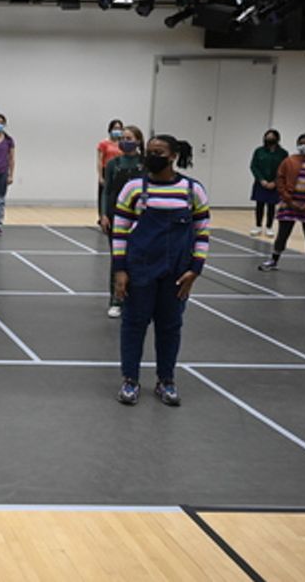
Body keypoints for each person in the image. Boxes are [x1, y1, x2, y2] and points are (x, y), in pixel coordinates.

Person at [111, 135, 210, 407]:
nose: (152, 155)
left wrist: (196, 269)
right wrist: (120, 271)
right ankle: (130, 380)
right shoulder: (133, 189)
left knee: (170, 327)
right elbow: (119, 232)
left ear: (173, 156)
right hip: (139, 270)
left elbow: (202, 232)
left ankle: (166, 381)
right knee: (133, 326)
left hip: (177, 273)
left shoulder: (192, 190)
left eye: (159, 152)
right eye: (150, 151)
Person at [259, 133, 305, 279]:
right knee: (283, 234)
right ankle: (274, 260)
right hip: (290, 203)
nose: (303, 146)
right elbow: (280, 180)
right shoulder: (289, 161)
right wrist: (289, 200)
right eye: (301, 143)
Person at [99, 125, 146, 318]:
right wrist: (103, 214)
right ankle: (116, 299)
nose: (125, 141)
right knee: (118, 258)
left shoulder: (145, 163)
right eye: (123, 138)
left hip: (140, 216)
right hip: (116, 215)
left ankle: (135, 299)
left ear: (138, 141)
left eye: (129, 138)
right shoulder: (113, 164)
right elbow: (106, 190)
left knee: (138, 258)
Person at [249, 129, 288, 238]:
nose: (269, 139)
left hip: (275, 184)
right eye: (267, 137)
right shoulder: (259, 151)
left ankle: (269, 227)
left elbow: (284, 169)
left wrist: (275, 182)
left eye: (272, 137)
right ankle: (258, 226)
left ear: (277, 139)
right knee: (259, 205)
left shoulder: (283, 153)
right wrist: (261, 179)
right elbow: (254, 166)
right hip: (261, 183)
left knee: (271, 206)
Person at [97, 118, 125, 218]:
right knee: (104, 194)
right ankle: (103, 216)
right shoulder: (104, 144)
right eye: (115, 128)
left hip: (120, 171)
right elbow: (100, 160)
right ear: (110, 129)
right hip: (106, 170)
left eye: (119, 128)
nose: (117, 130)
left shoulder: (123, 144)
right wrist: (100, 176)